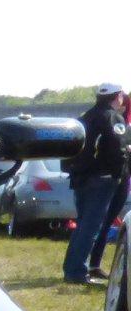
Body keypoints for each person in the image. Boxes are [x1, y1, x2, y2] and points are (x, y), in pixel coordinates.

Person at [63, 83, 130, 285]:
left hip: (81, 177)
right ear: (117, 97)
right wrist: (119, 171)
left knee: (83, 224)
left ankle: (71, 267)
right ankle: (77, 272)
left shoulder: (84, 117)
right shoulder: (112, 118)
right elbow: (118, 148)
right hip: (102, 178)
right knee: (90, 227)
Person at [91, 91, 131, 278]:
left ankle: (94, 263)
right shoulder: (114, 121)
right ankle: (91, 263)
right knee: (100, 220)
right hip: (114, 175)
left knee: (106, 221)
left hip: (123, 176)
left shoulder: (121, 121)